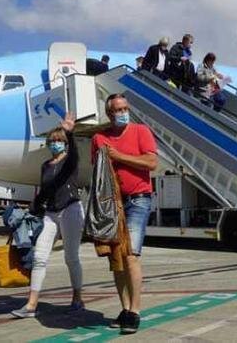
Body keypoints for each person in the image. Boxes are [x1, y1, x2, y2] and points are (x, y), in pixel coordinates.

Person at [91, 94, 158, 334]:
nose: (122, 112)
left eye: (125, 108)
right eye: (118, 109)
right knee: (116, 259)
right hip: (112, 205)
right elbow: (98, 173)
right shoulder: (99, 138)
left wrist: (120, 157)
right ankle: (125, 307)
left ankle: (136, 311)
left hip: (138, 199)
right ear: (109, 114)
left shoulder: (141, 131)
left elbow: (151, 163)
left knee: (130, 255)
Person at [12, 113, 85, 319]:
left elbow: (74, 155)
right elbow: (44, 191)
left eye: (59, 141)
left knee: (71, 257)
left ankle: (77, 298)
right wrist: (32, 208)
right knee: (39, 257)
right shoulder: (46, 165)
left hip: (70, 209)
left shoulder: (69, 162)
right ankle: (31, 304)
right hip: (51, 213)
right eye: (52, 141)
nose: (55, 144)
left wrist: (70, 134)